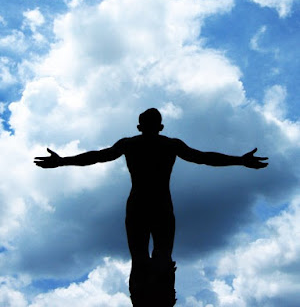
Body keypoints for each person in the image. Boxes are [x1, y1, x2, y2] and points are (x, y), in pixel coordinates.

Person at [34, 108, 268, 303]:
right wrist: (239, 160)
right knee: (157, 258)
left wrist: (63, 161)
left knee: (146, 259)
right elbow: (204, 157)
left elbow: (98, 156)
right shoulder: (168, 144)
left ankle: (151, 296)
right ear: (160, 127)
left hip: (140, 205)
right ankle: (153, 296)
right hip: (159, 206)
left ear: (139, 127)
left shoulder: (132, 144)